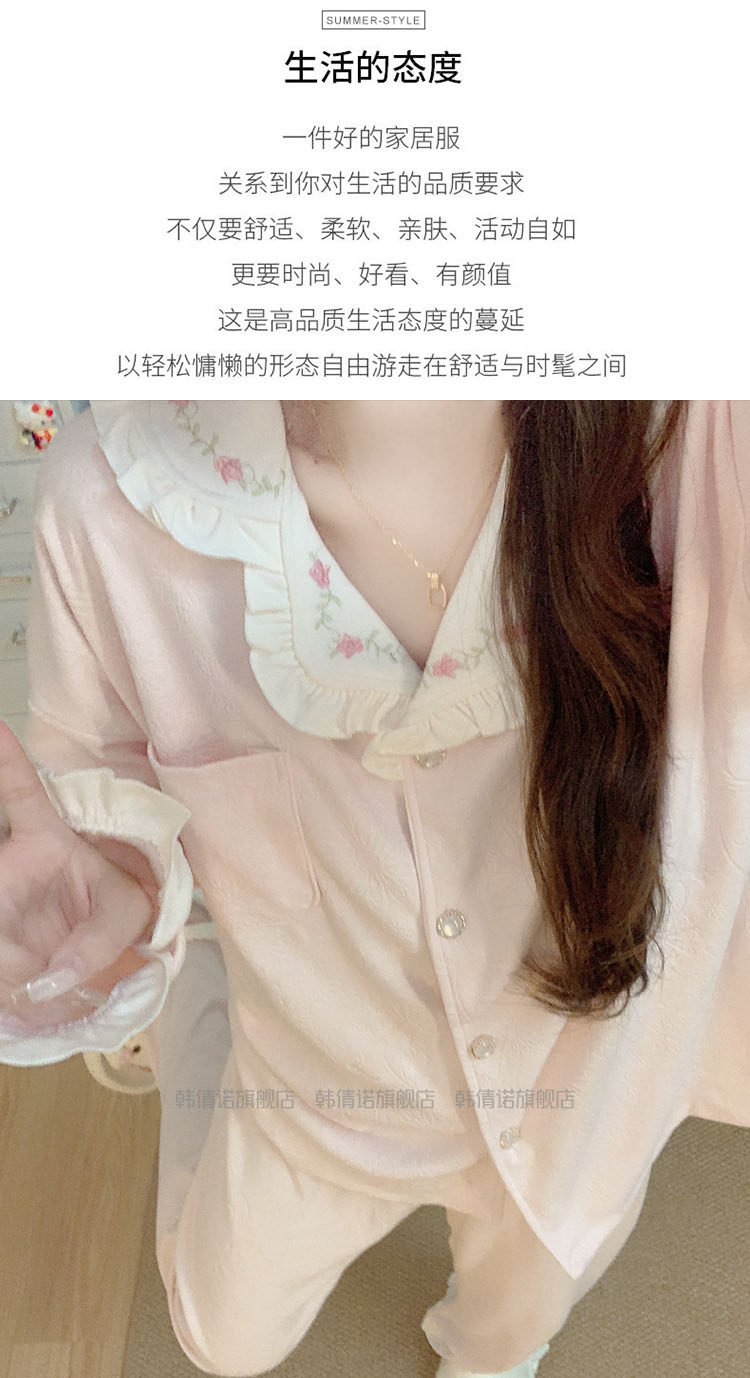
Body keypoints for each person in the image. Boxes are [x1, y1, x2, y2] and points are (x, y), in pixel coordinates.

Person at [0, 400, 748, 1378]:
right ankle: (202, 1006)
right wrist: (124, 881)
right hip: (315, 1087)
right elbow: (94, 773)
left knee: (503, 1338)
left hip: (583, 1092)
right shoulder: (110, 501)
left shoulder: (686, 435)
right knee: (220, 1339)